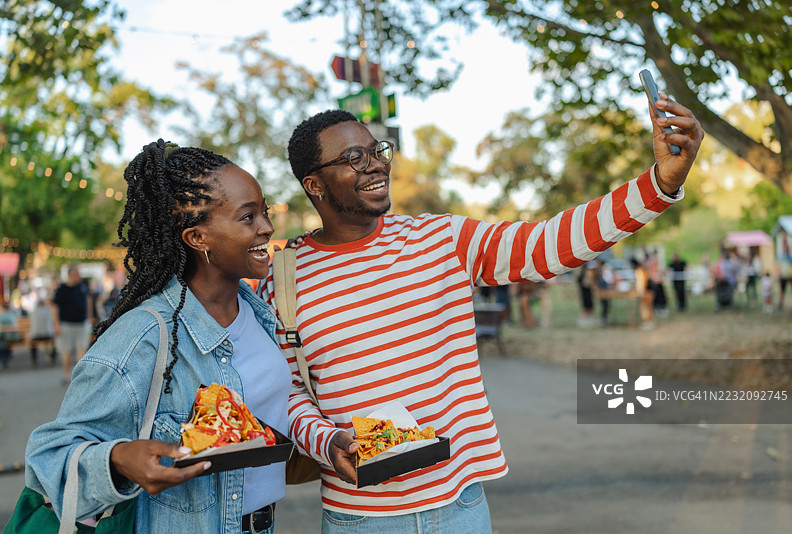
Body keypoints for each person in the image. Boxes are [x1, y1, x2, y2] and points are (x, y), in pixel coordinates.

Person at [257, 92, 703, 532]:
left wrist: (659, 185)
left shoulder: (439, 240)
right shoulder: (283, 280)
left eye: (377, 151)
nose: (375, 164)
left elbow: (546, 245)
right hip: (358, 517)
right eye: (354, 158)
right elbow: (288, 391)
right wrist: (328, 441)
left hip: (460, 507)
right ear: (314, 184)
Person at [25, 140, 290, 534]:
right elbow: (49, 455)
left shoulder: (260, 312)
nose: (266, 227)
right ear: (197, 238)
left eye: (264, 211)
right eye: (248, 216)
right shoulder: (144, 335)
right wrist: (118, 459)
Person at [52, 266, 91, 385]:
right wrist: (56, 324)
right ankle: (66, 375)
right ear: (70, 275)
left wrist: (89, 317)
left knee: (82, 349)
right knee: (66, 351)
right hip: (66, 324)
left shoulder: (83, 287)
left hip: (82, 323)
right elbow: (55, 307)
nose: (78, 277)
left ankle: (79, 376)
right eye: (76, 274)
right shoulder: (62, 289)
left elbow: (88, 301)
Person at [28, 295, 57, 367]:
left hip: (36, 335)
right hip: (48, 334)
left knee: (32, 343)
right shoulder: (48, 311)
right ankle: (52, 357)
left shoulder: (33, 312)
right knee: (54, 340)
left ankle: (34, 359)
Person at [631, 258, 655, 330]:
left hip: (645, 291)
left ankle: (648, 321)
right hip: (648, 290)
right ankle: (648, 321)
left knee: (646, 307)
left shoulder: (639, 271)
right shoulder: (643, 270)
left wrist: (641, 292)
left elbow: (641, 282)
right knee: (647, 307)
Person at [576, 263, 595, 327]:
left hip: (586, 288)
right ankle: (584, 320)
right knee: (586, 305)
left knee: (589, 305)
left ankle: (588, 320)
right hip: (585, 288)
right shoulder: (584, 268)